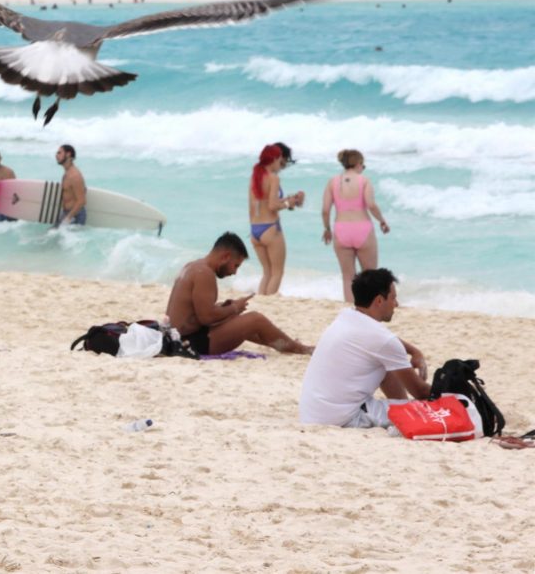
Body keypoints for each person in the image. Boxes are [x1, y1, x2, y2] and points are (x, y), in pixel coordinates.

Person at [299, 268, 429, 429]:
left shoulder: (346, 315)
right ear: (379, 301)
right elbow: (421, 392)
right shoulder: (382, 340)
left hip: (313, 412)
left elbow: (384, 339)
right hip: (340, 417)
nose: (396, 304)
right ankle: (403, 408)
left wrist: (414, 351)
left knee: (386, 361)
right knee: (417, 411)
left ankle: (402, 405)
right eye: (393, 298)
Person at [164, 232, 313, 356]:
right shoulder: (204, 273)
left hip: (177, 336)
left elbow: (196, 313)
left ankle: (284, 344)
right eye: (235, 265)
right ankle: (298, 348)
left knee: (236, 319)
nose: (234, 272)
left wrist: (225, 308)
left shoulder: (193, 266)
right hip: (188, 342)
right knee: (255, 319)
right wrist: (235, 307)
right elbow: (206, 317)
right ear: (225, 257)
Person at [321, 149, 390, 302]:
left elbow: (325, 210)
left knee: (348, 277)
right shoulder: (364, 181)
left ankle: (351, 309)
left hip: (341, 229)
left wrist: (327, 229)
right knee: (370, 275)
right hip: (362, 229)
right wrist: (382, 221)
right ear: (358, 164)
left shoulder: (332, 182)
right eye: (363, 165)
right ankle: (369, 309)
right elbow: (371, 204)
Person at [248, 145, 298, 295]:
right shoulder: (273, 178)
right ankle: (268, 302)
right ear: (275, 159)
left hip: (255, 229)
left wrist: (286, 200)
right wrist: (290, 203)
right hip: (270, 228)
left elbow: (260, 203)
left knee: (267, 273)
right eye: (280, 159)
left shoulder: (255, 176)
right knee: (277, 273)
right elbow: (272, 205)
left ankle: (262, 303)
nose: (281, 163)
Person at [55, 144, 86, 227]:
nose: (56, 155)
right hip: (67, 213)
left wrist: (68, 218)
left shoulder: (75, 176)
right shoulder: (67, 172)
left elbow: (81, 201)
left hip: (75, 216)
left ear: (68, 154)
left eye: (59, 153)